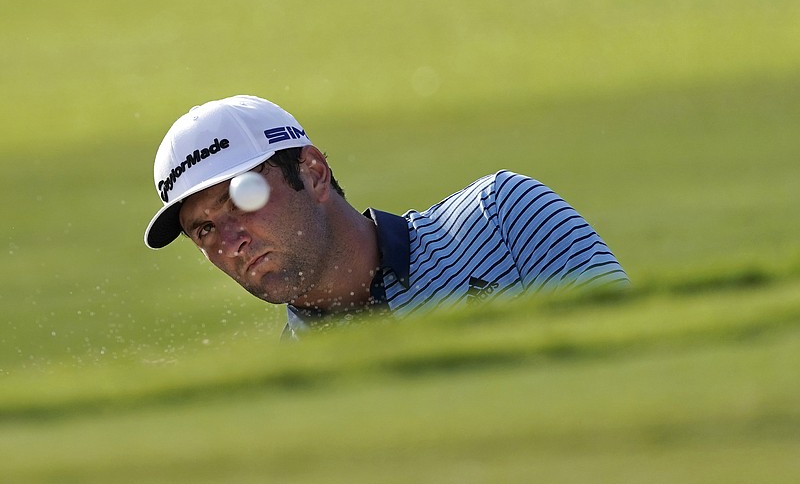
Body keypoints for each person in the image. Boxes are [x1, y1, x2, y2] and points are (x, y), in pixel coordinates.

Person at [144, 95, 629, 339]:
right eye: (203, 229)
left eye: (242, 197)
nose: (230, 240)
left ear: (313, 173)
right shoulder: (295, 395)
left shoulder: (503, 215)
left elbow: (641, 365)